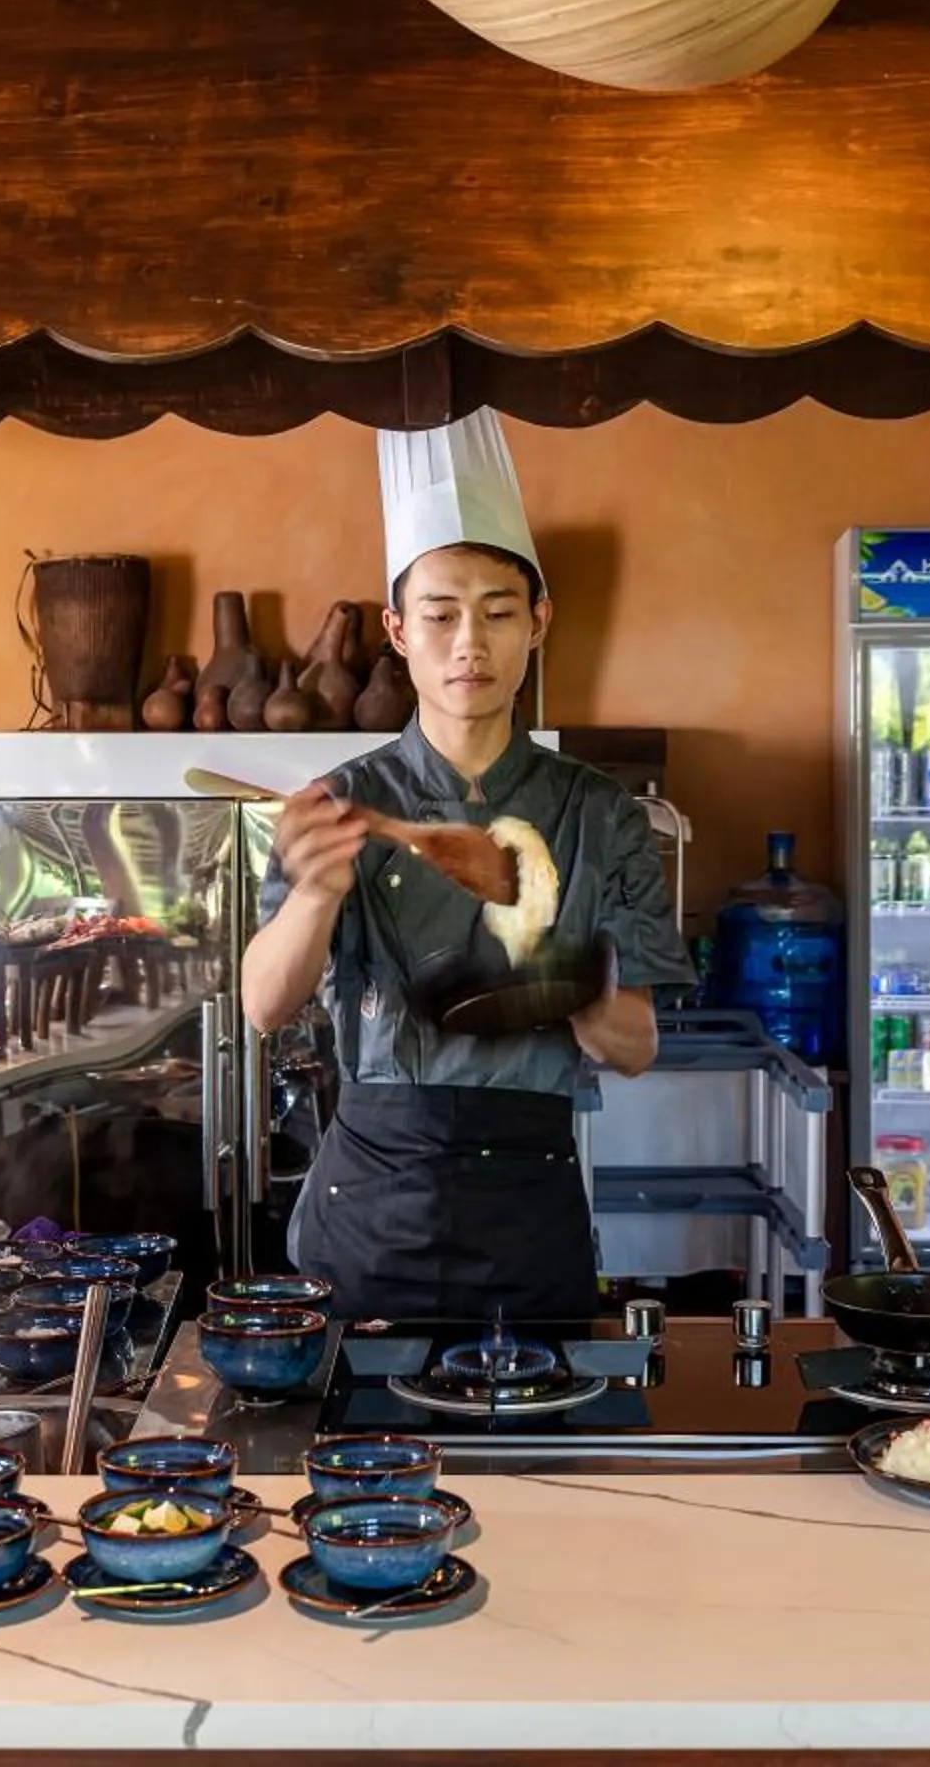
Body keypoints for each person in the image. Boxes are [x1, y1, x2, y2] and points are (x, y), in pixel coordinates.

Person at [241, 410, 691, 1322]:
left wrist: (554, 973)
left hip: (531, 1196)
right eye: (441, 616)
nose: (469, 646)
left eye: (497, 614)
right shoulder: (343, 802)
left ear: (539, 623)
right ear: (400, 633)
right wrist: (319, 894)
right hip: (370, 1197)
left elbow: (635, 1049)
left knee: (536, 1456)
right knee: (352, 1460)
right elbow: (264, 1004)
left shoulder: (603, 816)